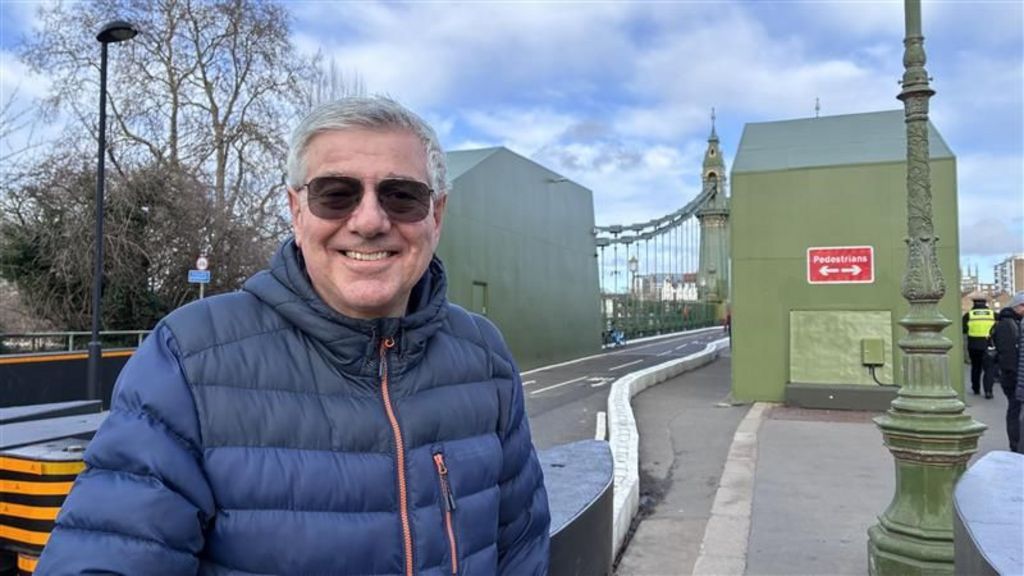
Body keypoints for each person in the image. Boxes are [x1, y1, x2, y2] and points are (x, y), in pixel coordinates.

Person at [37, 97, 551, 574]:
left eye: (401, 196)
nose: (369, 220)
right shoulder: (189, 358)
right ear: (296, 209)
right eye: (336, 194)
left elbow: (522, 547)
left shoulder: (484, 356)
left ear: (436, 214)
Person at [992, 291, 1024, 453]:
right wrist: (1015, 376)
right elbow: (1008, 354)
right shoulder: (1007, 325)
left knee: (1016, 411)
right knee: (1015, 411)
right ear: (1017, 306)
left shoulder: (1012, 322)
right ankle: (1016, 445)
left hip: (1014, 375)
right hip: (1012, 377)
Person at [962, 295, 996, 398]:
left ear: (974, 303)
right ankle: (988, 391)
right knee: (989, 369)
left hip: (974, 345)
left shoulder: (969, 315)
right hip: (989, 345)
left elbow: (963, 330)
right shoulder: (992, 314)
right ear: (985, 304)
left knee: (976, 368)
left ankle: (976, 388)